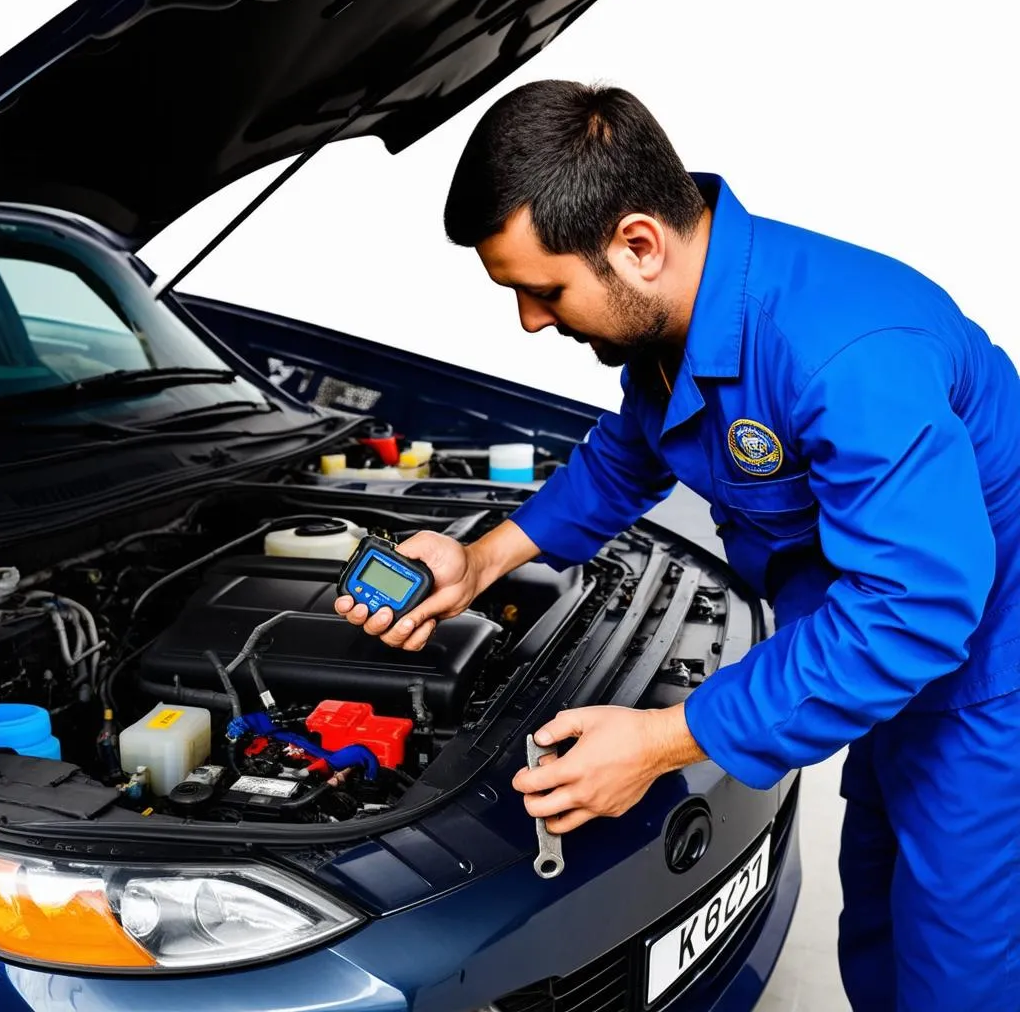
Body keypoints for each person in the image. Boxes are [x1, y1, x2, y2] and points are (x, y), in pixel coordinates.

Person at [335, 80, 1020, 1011]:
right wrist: (483, 561)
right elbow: (627, 459)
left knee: (959, 973)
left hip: (982, 678)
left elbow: (918, 608)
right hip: (881, 659)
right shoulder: (677, 328)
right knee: (881, 930)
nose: (531, 321)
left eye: (543, 290)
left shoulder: (846, 354)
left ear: (637, 245)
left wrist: (664, 740)